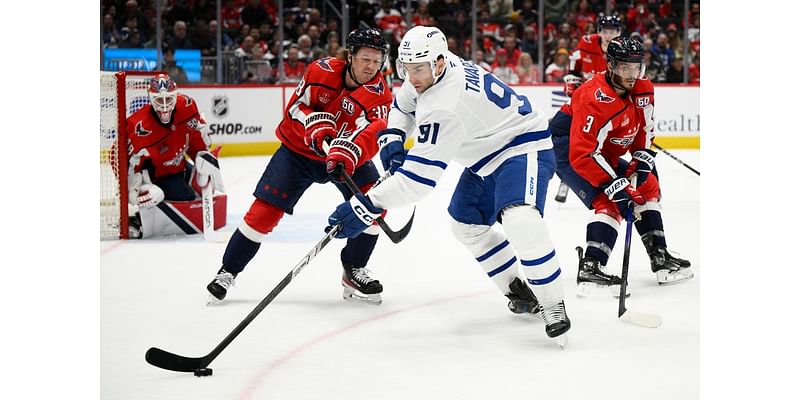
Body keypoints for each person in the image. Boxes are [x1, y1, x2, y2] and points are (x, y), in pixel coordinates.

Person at [327, 26, 571, 344]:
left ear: (439, 63)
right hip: (486, 154)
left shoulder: (444, 105)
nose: (412, 77)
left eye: (418, 70)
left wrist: (366, 204)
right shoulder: (431, 66)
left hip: (522, 146)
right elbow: (404, 105)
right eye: (406, 69)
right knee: (466, 224)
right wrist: (393, 136)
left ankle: (553, 305)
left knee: (520, 218)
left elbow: (419, 181)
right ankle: (517, 289)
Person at [206, 28, 393, 306]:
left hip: (345, 159)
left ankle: (353, 270)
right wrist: (313, 123)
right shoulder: (321, 71)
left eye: (377, 61)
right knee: (262, 215)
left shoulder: (380, 93)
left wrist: (350, 149)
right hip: (298, 153)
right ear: (350, 56)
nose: (371, 67)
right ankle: (228, 271)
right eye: (366, 58)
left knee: (374, 206)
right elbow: (294, 109)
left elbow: (375, 131)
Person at [548, 36, 693, 292]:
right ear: (611, 66)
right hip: (567, 150)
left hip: (602, 152)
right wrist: (616, 183)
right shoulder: (593, 98)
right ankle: (591, 266)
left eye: (636, 67)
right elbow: (583, 154)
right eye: (625, 67)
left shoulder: (643, 89)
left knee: (648, 186)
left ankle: (659, 256)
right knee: (610, 200)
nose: (632, 74)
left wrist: (641, 159)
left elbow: (644, 130)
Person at [126, 73, 225, 238]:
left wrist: (201, 154)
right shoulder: (139, 126)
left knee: (205, 184)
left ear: (176, 95)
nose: (164, 106)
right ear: (151, 98)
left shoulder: (187, 106)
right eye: (159, 100)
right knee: (186, 197)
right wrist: (138, 188)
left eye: (169, 99)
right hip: (156, 176)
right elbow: (125, 162)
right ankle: (143, 219)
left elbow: (195, 136)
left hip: (179, 166)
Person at [562, 14, 623, 97]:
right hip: (588, 93)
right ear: (599, 31)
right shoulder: (587, 43)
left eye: (612, 32)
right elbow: (575, 58)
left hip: (612, 95)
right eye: (605, 32)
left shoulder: (623, 50)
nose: (608, 36)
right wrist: (572, 78)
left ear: (618, 32)